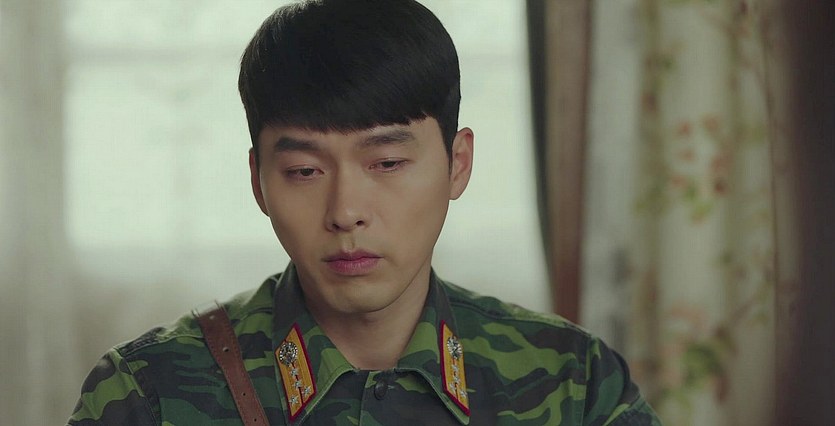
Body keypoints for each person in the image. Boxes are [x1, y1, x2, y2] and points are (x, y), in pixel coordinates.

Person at [68, 0, 661, 424]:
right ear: (258, 182)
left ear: (457, 164)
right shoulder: (145, 395)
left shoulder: (574, 382)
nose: (346, 212)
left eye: (387, 163)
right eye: (305, 171)